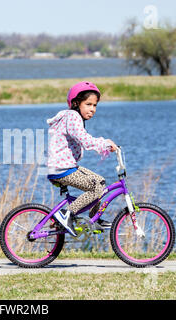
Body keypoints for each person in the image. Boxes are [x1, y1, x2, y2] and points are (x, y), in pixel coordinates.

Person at [46, 81, 117, 236]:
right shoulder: (72, 116)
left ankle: (94, 218)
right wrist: (104, 143)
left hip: (67, 167)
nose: (92, 109)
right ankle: (67, 214)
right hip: (62, 169)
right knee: (95, 188)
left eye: (95, 105)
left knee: (100, 182)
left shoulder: (73, 117)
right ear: (76, 103)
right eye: (88, 104)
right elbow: (84, 139)